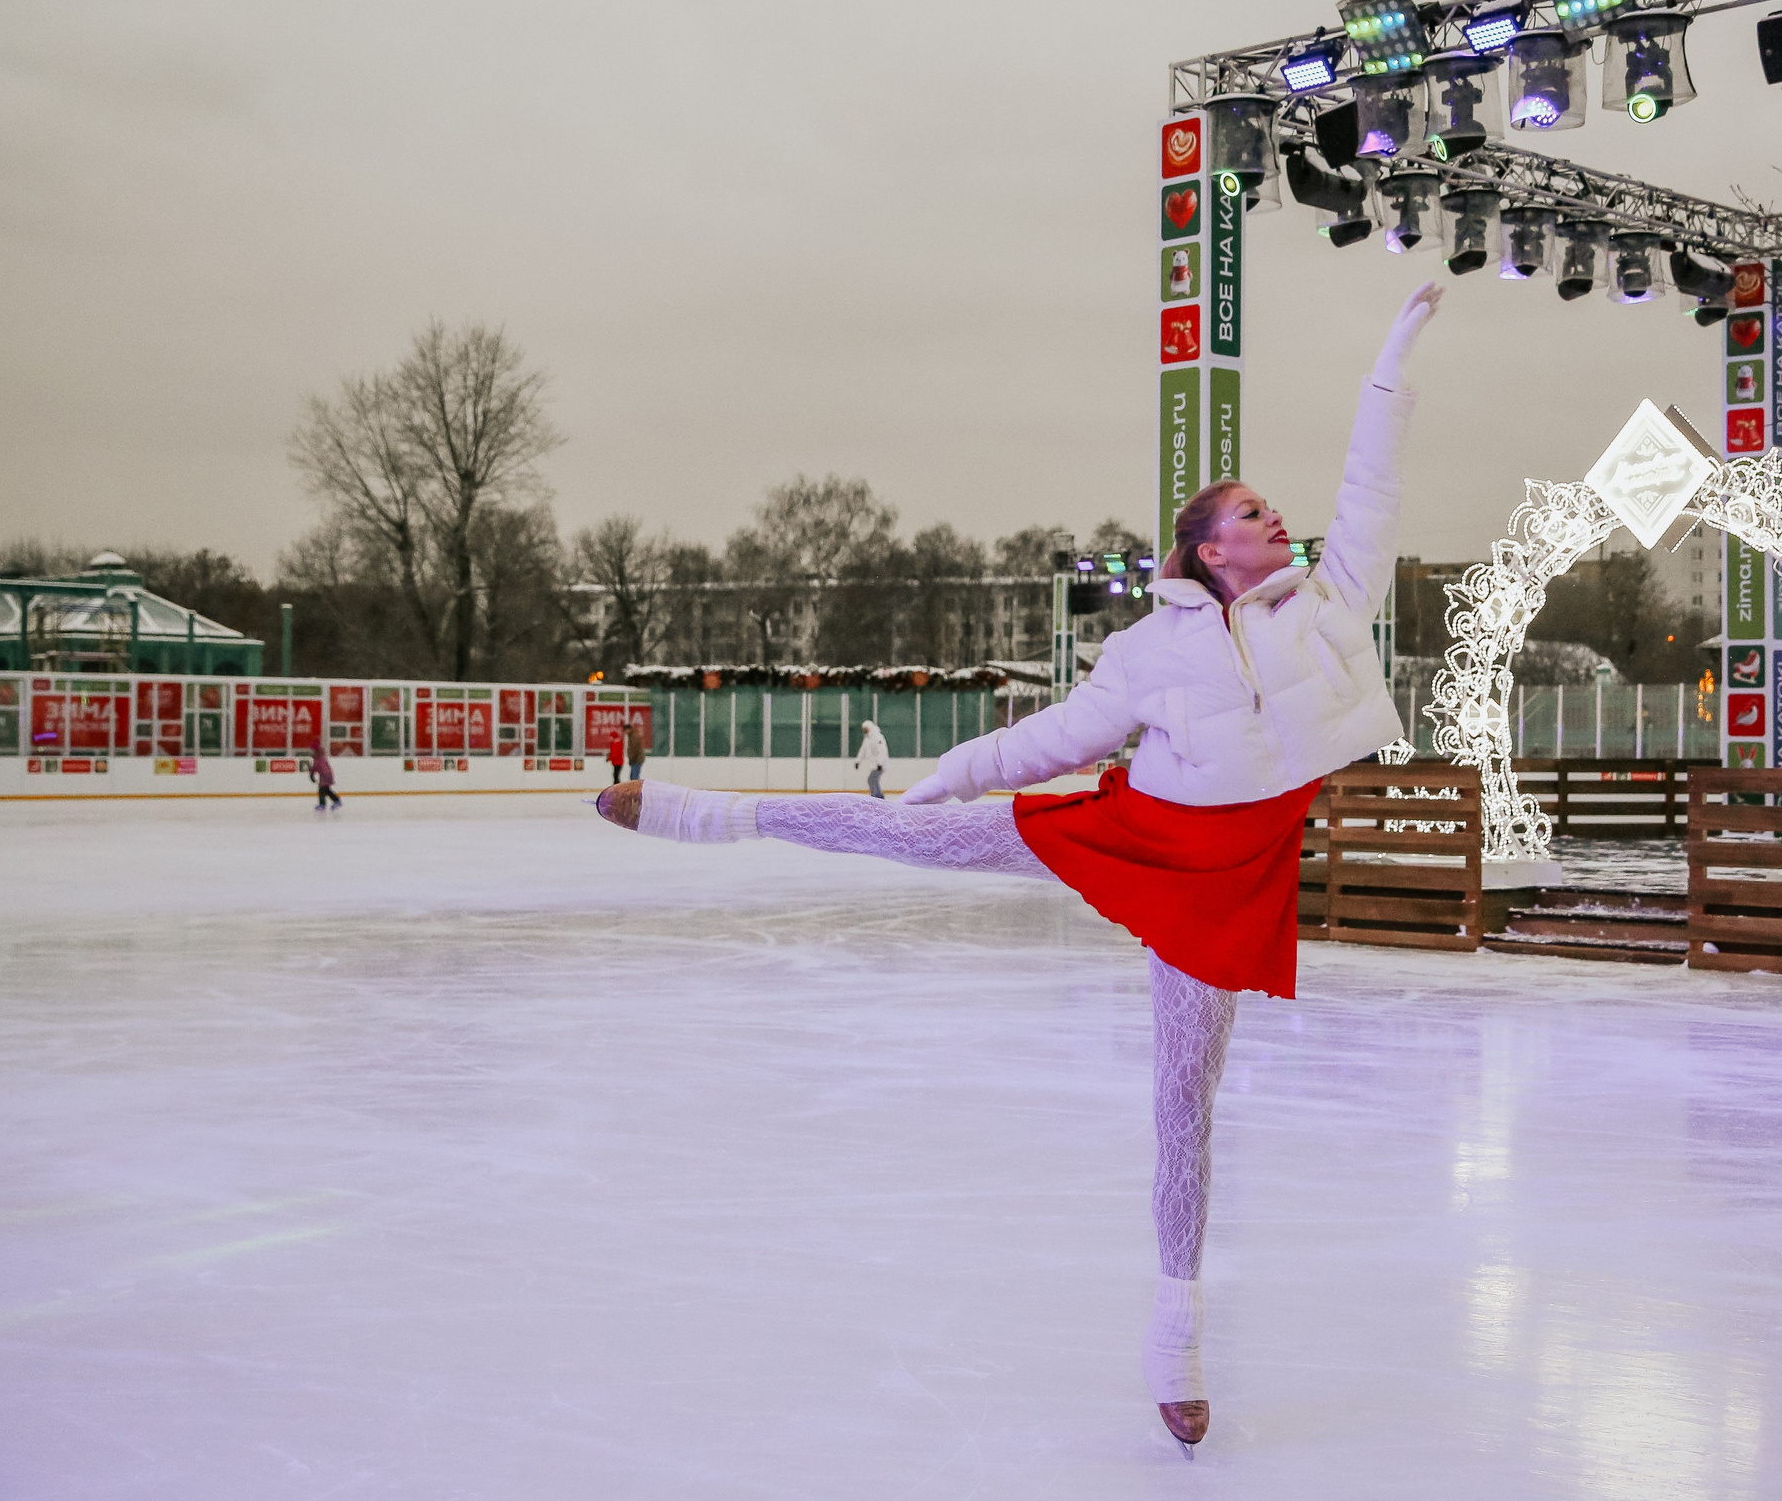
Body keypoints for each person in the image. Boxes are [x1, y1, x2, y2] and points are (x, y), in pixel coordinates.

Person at [593, 282, 1440, 1455]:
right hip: (1131, 833)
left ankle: (1174, 1338)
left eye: (1269, 507)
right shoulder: (1147, 652)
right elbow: (1059, 736)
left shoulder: (1332, 599)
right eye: (1251, 510)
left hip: (1223, 881)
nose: (1276, 516)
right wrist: (961, 768)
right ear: (1207, 546)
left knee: (1180, 1110)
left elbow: (1371, 485)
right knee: (911, 834)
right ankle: (711, 813)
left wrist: (1391, 355)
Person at [854, 717, 890, 798]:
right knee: (874, 780)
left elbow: (882, 751)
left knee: (871, 779)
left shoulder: (878, 737)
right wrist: (858, 761)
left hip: (879, 764)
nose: (865, 730)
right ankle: (879, 796)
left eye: (866, 728)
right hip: (874, 764)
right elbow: (863, 750)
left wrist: (880, 763)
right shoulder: (868, 738)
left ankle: (875, 795)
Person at [310, 739, 341, 812]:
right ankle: (337, 801)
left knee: (322, 789)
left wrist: (311, 773)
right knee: (326, 789)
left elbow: (316, 766)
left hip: (325, 775)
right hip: (327, 774)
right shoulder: (321, 755)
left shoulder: (318, 756)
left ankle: (323, 805)